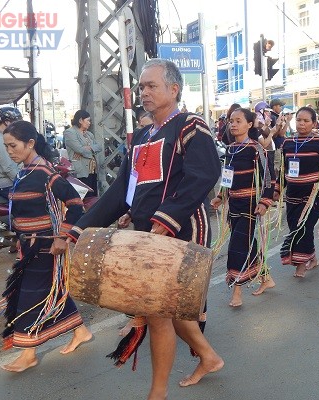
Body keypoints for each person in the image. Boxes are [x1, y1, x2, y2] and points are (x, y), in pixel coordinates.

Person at [64, 59, 223, 400]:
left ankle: (158, 393)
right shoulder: (141, 137)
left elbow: (204, 175)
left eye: (151, 86)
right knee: (162, 311)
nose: (144, 92)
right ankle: (207, 357)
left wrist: (165, 219)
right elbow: (123, 191)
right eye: (141, 87)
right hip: (145, 235)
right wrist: (77, 229)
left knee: (160, 313)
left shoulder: (190, 126)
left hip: (179, 232)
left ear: (174, 89)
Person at [0, 121, 92, 372]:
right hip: (29, 246)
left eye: (13, 145)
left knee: (28, 297)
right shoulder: (24, 172)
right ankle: (80, 331)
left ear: (30, 144)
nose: (9, 151)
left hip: (45, 247)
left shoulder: (45, 173)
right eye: (6, 146)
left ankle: (29, 354)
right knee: (51, 290)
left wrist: (62, 238)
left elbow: (75, 204)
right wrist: (19, 235)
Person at [210, 108, 276, 307]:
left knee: (237, 247)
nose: (233, 124)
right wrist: (221, 196)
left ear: (249, 124)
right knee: (248, 244)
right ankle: (266, 278)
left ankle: (236, 292)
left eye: (238, 121)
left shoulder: (256, 149)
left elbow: (268, 178)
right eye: (231, 121)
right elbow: (227, 178)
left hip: (251, 206)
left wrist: (265, 202)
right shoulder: (230, 150)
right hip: (234, 206)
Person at [279, 107, 319, 278]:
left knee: (305, 226)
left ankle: (300, 265)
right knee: (295, 227)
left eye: (306, 121)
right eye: (299, 120)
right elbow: (282, 171)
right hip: (292, 194)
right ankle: (312, 257)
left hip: (314, 193)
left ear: (314, 123)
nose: (301, 124)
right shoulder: (288, 143)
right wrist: (276, 191)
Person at [64, 110, 103, 198]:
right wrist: (90, 150)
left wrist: (87, 149)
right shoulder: (70, 132)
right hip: (81, 173)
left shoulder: (89, 134)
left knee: (93, 199)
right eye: (88, 120)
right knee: (83, 200)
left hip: (93, 171)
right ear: (80, 120)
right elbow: (79, 149)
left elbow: (99, 147)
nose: (90, 123)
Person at [0, 107, 21, 199]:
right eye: (16, 123)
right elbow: (9, 167)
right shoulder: (0, 140)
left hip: (8, 183)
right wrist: (22, 182)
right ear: (7, 122)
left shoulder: (2, 137)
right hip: (7, 186)